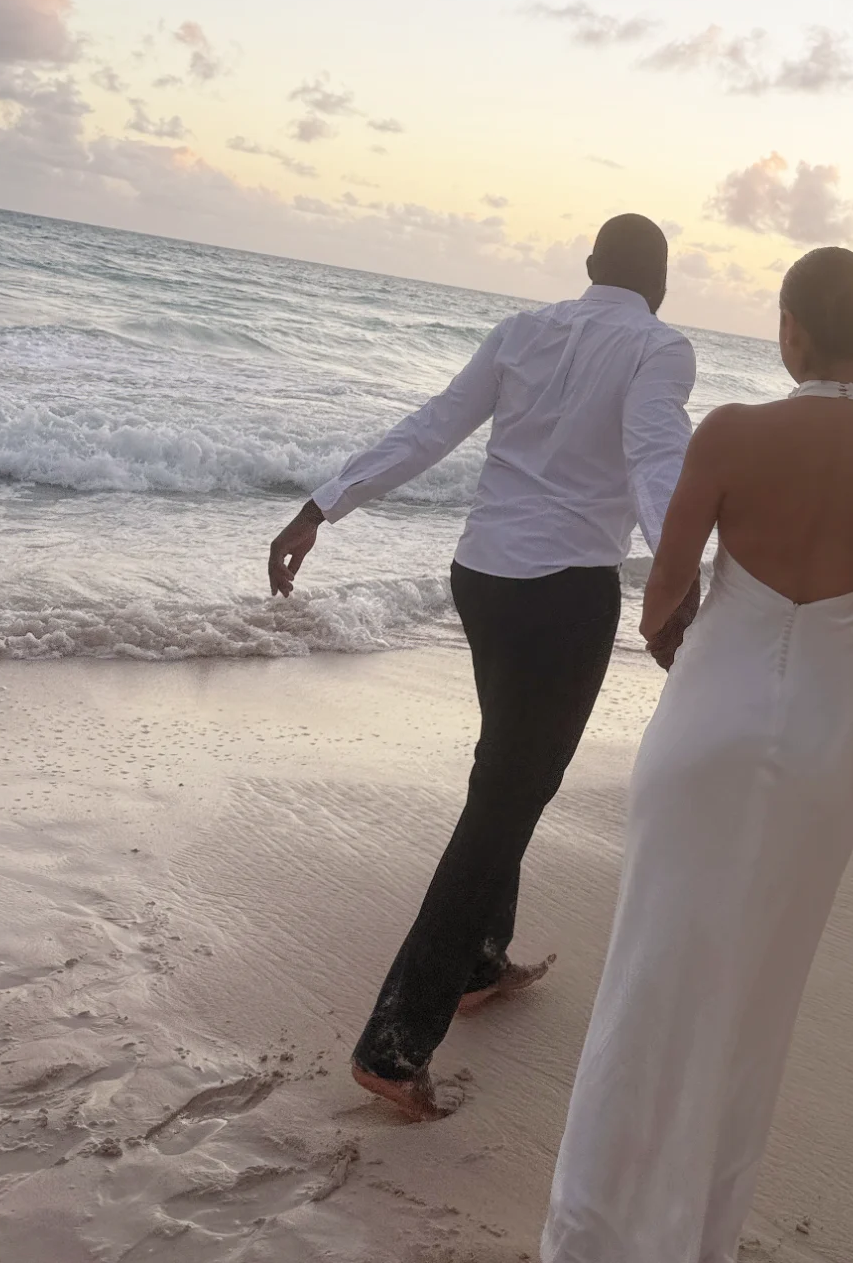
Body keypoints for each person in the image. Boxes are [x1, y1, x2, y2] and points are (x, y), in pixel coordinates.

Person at [541, 245, 853, 1263]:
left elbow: (665, 594)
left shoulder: (731, 433)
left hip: (705, 727)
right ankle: (695, 1240)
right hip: (825, 739)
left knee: (647, 978)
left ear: (791, 330)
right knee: (755, 1000)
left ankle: (591, 1236)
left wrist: (677, 635)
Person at [266, 213, 700, 1121]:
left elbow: (432, 428)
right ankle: (394, 1045)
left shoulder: (522, 330)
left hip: (483, 580)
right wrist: (677, 586)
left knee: (504, 774)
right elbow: (657, 460)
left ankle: (477, 965)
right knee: (505, 803)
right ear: (660, 283)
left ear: (588, 268)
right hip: (566, 595)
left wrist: (322, 505)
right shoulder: (659, 348)